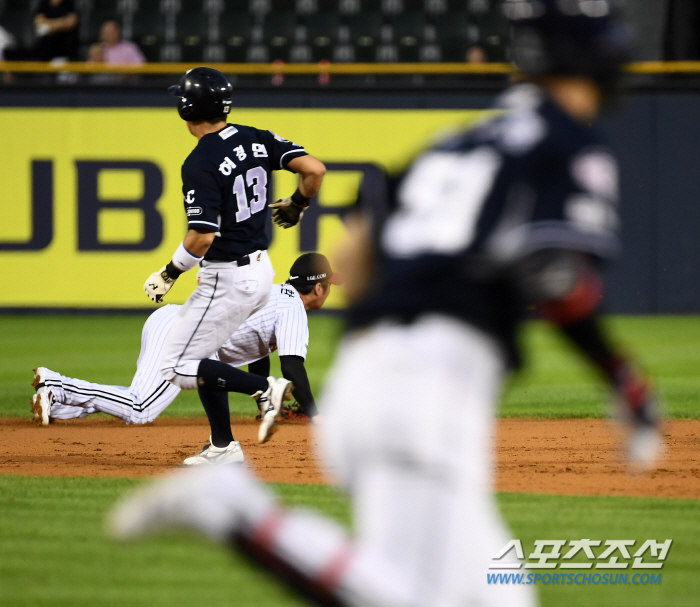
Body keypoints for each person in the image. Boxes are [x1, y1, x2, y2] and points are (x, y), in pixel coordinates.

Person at [108, 2, 661, 605]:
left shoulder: (462, 139)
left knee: (491, 596)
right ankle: (238, 513)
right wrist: (622, 378)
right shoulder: (568, 145)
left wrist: (377, 335)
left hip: (378, 372)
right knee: (418, 596)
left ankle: (242, 512)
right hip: (427, 391)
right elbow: (557, 276)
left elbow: (359, 240)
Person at [30, 253, 340, 458]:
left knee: (137, 396)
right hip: (183, 333)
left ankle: (56, 397)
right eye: (328, 286)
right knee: (141, 409)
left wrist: (262, 402)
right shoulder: (293, 308)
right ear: (318, 289)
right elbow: (292, 367)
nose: (329, 292)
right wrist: (316, 414)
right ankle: (58, 382)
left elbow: (258, 354)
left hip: (172, 322)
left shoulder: (273, 293)